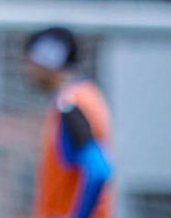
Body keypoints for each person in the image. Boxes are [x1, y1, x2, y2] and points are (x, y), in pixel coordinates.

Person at [24, 27, 114, 218]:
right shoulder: (88, 95)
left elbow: (99, 170)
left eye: (29, 61)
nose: (26, 69)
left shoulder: (70, 104)